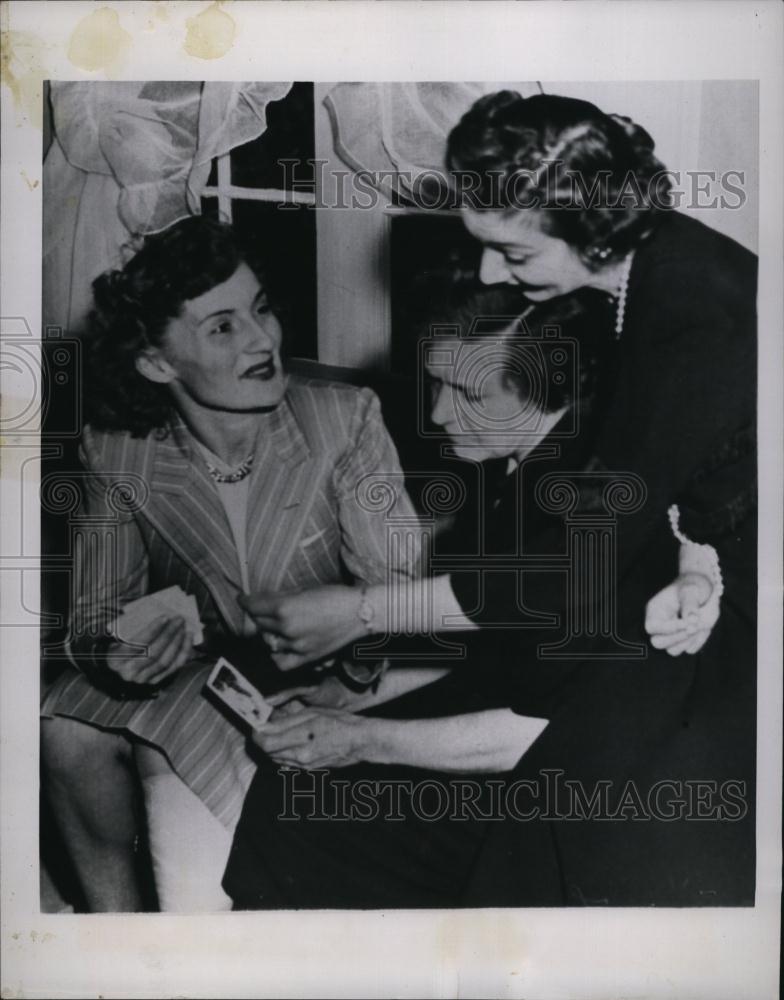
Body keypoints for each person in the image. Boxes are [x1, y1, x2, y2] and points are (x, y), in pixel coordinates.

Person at [228, 92, 756, 906]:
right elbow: (693, 466)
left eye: (511, 252)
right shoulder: (650, 273)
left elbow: (569, 570)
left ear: (591, 229)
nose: (487, 274)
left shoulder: (694, 314)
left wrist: (362, 614)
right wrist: (697, 562)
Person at [40, 216, 421, 912]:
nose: (262, 339)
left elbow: (395, 591)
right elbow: (94, 616)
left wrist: (349, 675)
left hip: (343, 674)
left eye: (261, 308)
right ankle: (113, 932)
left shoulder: (343, 420)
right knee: (63, 722)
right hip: (210, 676)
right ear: (158, 364)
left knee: (164, 761)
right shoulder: (118, 452)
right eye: (222, 327)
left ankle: (197, 920)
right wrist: (117, 650)